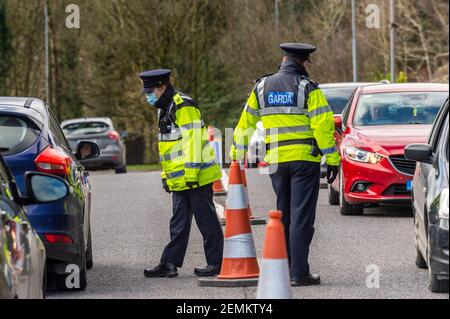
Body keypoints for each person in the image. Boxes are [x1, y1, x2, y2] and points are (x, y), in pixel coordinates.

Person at [230, 43, 341, 286]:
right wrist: (332, 159)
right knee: (301, 217)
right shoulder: (307, 88)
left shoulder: (260, 87)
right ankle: (299, 273)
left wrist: (236, 155)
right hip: (304, 161)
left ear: (283, 59)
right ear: (304, 62)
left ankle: (284, 268)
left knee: (284, 215)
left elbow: (245, 124)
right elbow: (323, 128)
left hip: (276, 163)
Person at [139, 69, 224, 278]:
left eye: (150, 90)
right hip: (180, 178)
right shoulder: (164, 107)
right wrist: (165, 176)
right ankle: (169, 263)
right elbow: (167, 148)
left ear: (162, 86)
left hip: (195, 176)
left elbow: (193, 141)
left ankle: (216, 263)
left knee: (206, 220)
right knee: (178, 221)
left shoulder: (182, 105)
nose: (148, 95)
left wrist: (192, 174)